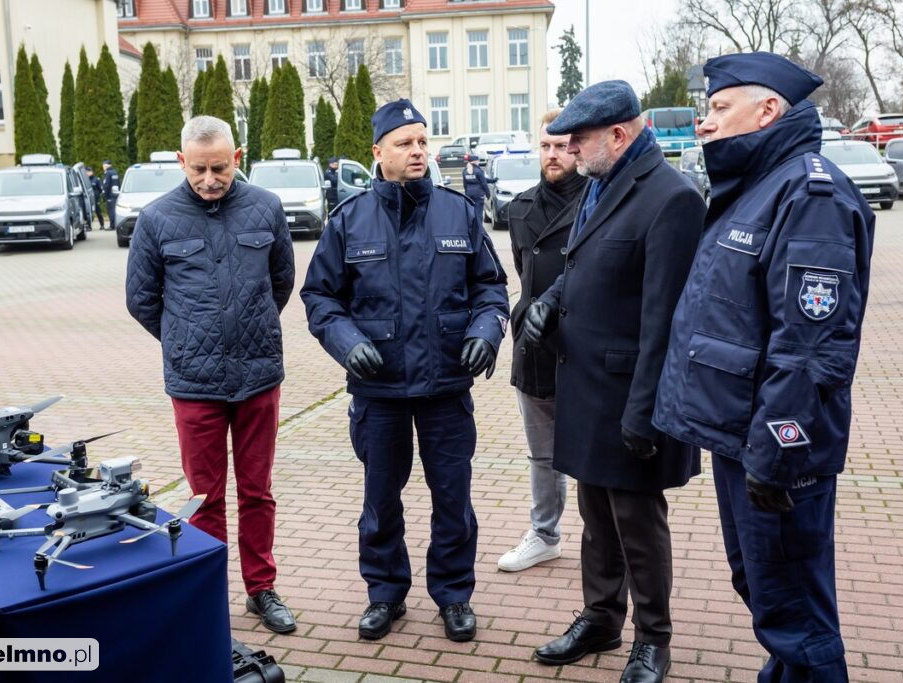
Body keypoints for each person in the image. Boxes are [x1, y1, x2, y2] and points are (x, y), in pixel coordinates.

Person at [653, 52, 874, 682]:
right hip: (742, 437)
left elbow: (810, 348)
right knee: (766, 590)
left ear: (767, 110)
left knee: (795, 613)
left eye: (720, 107)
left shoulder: (809, 195)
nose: (704, 121)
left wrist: (778, 451)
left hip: (775, 448)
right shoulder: (758, 186)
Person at [301, 99, 509, 644]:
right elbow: (320, 297)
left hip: (446, 387)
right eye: (404, 143)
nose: (418, 151)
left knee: (453, 497)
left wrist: (486, 332)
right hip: (380, 391)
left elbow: (491, 286)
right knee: (379, 500)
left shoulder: (459, 211)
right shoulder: (349, 219)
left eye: (422, 141)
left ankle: (454, 594)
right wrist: (347, 343)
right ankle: (385, 593)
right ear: (378, 151)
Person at [522, 80, 706, 683]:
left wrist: (645, 412)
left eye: (579, 139)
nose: (570, 150)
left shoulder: (672, 199)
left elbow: (667, 319)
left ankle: (654, 639)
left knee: (637, 524)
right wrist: (550, 300)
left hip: (632, 396)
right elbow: (585, 263)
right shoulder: (602, 183)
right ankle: (602, 617)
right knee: (596, 515)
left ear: (620, 135)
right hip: (588, 388)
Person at [126, 115, 298, 635]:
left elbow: (281, 281)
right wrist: (185, 339)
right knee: (205, 496)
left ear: (237, 158)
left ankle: (261, 588)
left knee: (257, 491)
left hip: (258, 376)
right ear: (182, 161)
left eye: (219, 168)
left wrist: (248, 329)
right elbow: (141, 299)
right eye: (198, 169)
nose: (209, 179)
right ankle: (209, 596)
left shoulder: (266, 207)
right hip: (193, 383)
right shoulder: (156, 219)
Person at [498, 108, 587, 573]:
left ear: (578, 148)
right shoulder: (520, 208)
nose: (553, 155)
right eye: (546, 146)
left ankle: (603, 538)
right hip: (533, 345)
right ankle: (545, 533)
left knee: (592, 450)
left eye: (563, 146)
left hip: (584, 344)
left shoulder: (599, 202)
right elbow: (525, 274)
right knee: (542, 453)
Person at [461, 154, 495, 226]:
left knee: (471, 212)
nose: (478, 162)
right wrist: (488, 194)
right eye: (478, 160)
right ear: (475, 161)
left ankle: (472, 227)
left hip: (469, 194)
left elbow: (465, 184)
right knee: (478, 213)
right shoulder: (479, 171)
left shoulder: (465, 171)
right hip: (478, 195)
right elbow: (484, 183)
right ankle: (479, 229)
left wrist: (492, 180)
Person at [85, 166, 104, 230]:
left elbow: (101, 189)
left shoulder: (96, 179)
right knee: (89, 213)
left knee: (98, 212)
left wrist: (97, 195)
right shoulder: (86, 180)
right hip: (89, 199)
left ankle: (102, 225)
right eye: (86, 172)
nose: (87, 173)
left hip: (96, 198)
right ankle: (89, 226)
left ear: (91, 172)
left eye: (88, 172)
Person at [102, 159, 119, 230]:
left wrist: (105, 195)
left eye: (103, 166)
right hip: (116, 194)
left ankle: (112, 225)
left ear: (106, 166)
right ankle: (115, 224)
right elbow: (118, 183)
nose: (103, 167)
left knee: (110, 211)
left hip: (110, 195)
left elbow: (107, 185)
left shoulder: (108, 173)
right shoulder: (115, 172)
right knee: (114, 210)